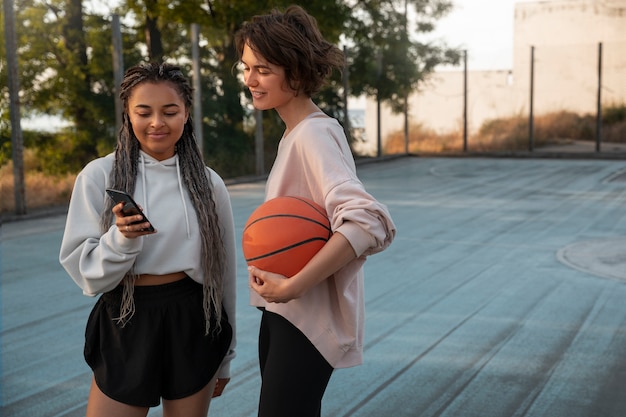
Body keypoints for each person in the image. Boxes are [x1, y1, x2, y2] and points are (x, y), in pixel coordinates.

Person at [235, 6, 396, 417]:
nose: (250, 80)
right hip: (286, 313)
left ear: (296, 71)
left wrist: (294, 286)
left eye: (263, 69)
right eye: (247, 67)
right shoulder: (296, 133)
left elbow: (367, 220)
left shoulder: (315, 134)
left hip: (302, 319)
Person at [59, 62, 236, 417]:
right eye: (144, 112)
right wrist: (123, 240)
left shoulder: (208, 183)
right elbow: (87, 274)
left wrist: (226, 358)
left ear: (186, 113)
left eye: (170, 111)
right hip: (127, 316)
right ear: (128, 113)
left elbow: (224, 274)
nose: (157, 122)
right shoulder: (99, 176)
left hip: (193, 319)